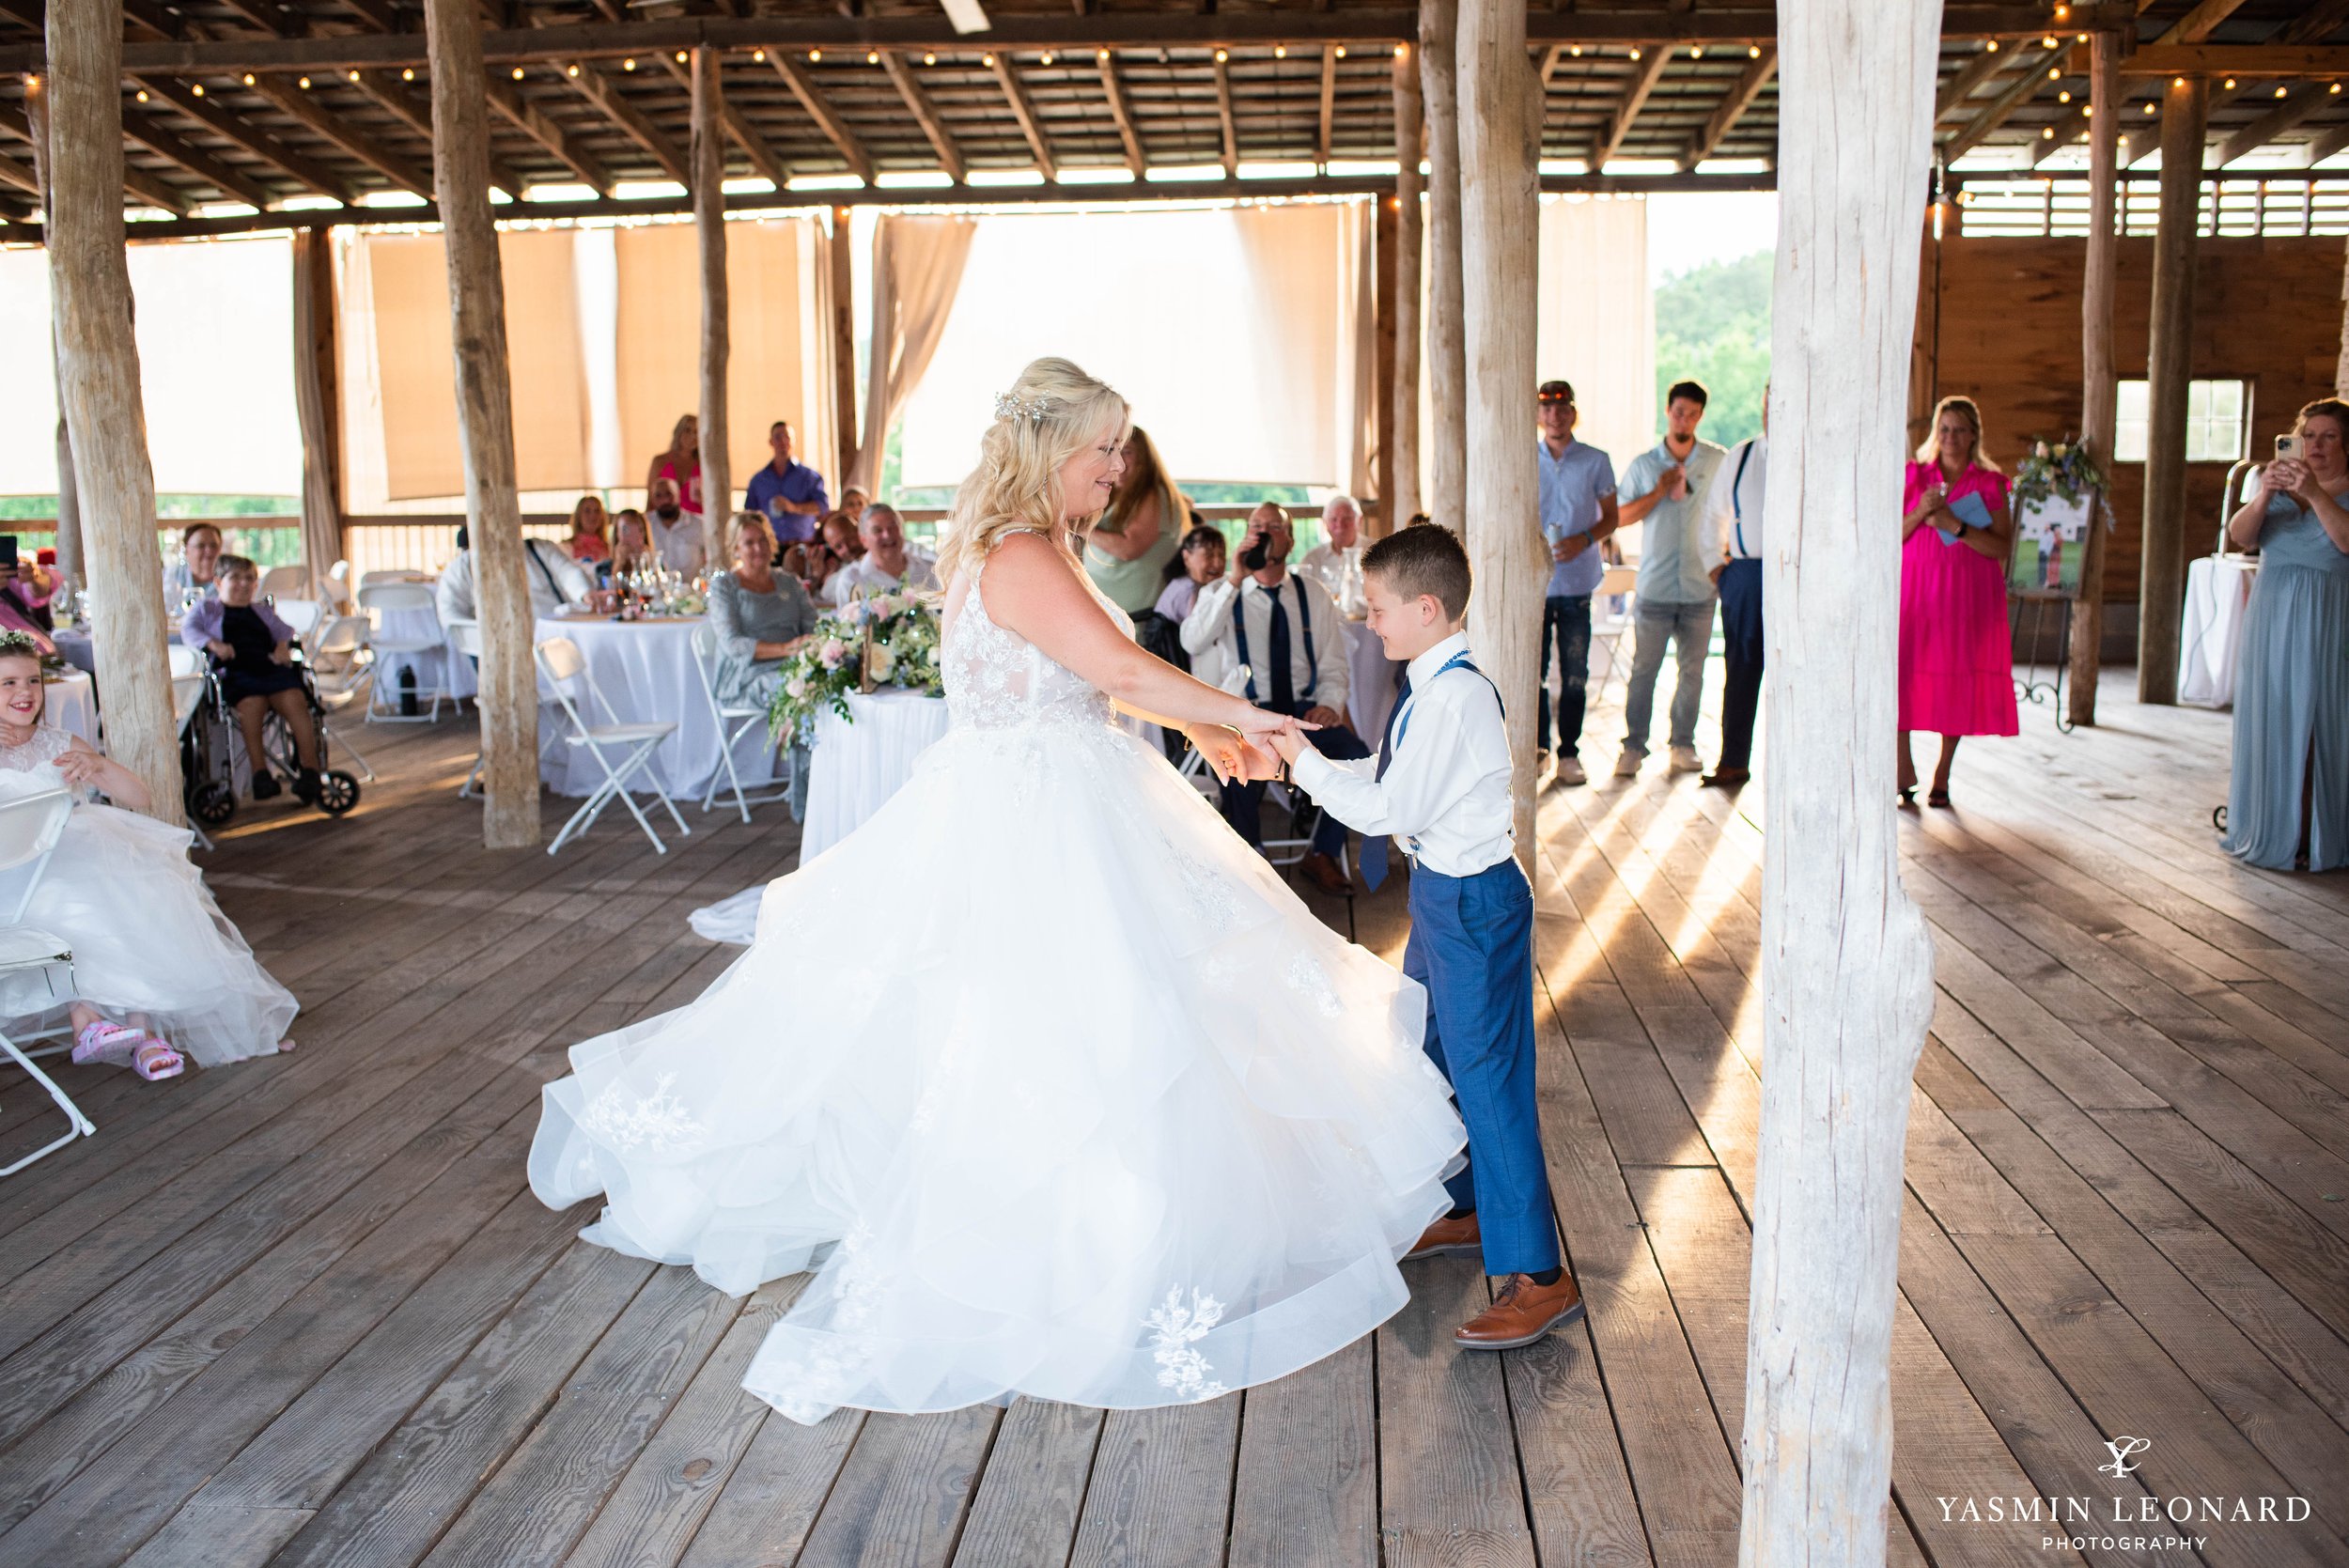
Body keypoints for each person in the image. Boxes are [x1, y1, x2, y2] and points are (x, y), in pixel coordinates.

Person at [530, 355, 1466, 1428]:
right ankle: (1069, 1218)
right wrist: (1242, 713)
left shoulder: (1022, 548)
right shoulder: (1019, 552)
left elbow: (1096, 676)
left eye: (1119, 448)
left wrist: (1206, 725)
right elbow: (1117, 671)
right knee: (1068, 1017)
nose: (1117, 470)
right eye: (1102, 449)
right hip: (1040, 814)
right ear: (1045, 448)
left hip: (1055, 786)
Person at [1268, 524, 1581, 1349]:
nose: (1370, 623)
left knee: (1489, 1080)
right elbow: (1384, 776)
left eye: (1377, 609)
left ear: (1428, 608)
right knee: (1434, 1053)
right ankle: (1473, 1208)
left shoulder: (1455, 697)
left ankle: (1542, 1275)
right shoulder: (1429, 686)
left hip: (1474, 904)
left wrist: (1299, 764)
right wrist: (1301, 754)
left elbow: (1387, 812)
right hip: (1442, 898)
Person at [0, 630, 296, 1076]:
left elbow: (138, 795)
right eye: (8, 683)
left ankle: (140, 1030)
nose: (24, 692)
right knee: (75, 897)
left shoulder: (58, 743)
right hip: (15, 874)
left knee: (141, 884)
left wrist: (98, 766)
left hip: (78, 852)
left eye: (33, 681)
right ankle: (93, 1023)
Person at [1181, 502, 1364, 895]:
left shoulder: (1313, 594)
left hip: (1299, 712)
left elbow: (1334, 663)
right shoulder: (1222, 591)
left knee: (1353, 754)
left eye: (1273, 528)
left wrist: (1331, 704)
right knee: (1237, 762)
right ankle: (1250, 856)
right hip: (1245, 712)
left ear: (1291, 539)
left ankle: (1324, 853)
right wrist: (1234, 579)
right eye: (1255, 526)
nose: (1263, 534)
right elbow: (1193, 640)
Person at [2221, 398, 2349, 871]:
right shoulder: (2272, 484)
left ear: (2345, 444)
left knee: (2318, 723)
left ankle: (2316, 833)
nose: (2316, 445)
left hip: (2326, 620)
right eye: (2309, 435)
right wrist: (2262, 493)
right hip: (2271, 617)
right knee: (2271, 715)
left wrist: (2316, 493)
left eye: (2328, 436)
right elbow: (2241, 535)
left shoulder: (2334, 488)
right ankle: (2271, 825)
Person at [1899, 395, 2017, 808]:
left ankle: (1943, 771)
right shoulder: (1914, 474)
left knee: (1957, 679)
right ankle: (1903, 765)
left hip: (1966, 596)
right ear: (1936, 432)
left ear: (1973, 436)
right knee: (1903, 674)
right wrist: (1922, 512)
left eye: (1959, 430)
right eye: (1944, 429)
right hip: (1915, 592)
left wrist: (1955, 524)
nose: (1951, 437)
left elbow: (2002, 547)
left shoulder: (1990, 483)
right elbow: (1892, 536)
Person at [1614, 380, 1726, 778]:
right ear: (1668, 410)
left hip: (1700, 587)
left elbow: (1731, 509)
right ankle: (1633, 747)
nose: (1685, 419)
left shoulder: (1717, 461)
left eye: (1693, 414)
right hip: (1656, 587)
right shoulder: (1645, 465)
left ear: (1700, 416)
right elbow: (1621, 517)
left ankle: (1683, 744)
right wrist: (1660, 490)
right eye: (1679, 411)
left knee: (1693, 672)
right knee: (1645, 670)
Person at [182, 555, 326, 805]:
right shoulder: (207, 608)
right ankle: (260, 774)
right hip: (237, 673)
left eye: (249, 578)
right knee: (251, 705)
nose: (244, 584)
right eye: (235, 578)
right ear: (218, 582)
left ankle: (311, 770)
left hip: (269, 668)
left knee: (296, 700)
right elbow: (189, 630)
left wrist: (282, 647)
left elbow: (285, 631)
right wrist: (214, 644)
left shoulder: (261, 610)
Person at [1532, 380, 1618, 787]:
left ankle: (1570, 752)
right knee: (1535, 672)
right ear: (1537, 414)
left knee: (1575, 672)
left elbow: (1612, 517)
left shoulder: (1596, 460)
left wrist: (1583, 539)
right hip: (1533, 584)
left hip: (1579, 581)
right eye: (1546, 407)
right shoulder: (1523, 456)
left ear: (1573, 412)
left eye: (1562, 407)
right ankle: (1538, 749)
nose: (1554, 415)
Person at [709, 513, 821, 821]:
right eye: (749, 542)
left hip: (794, 667)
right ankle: (804, 803)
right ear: (735, 548)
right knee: (801, 696)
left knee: (823, 687)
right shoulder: (725, 587)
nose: (757, 548)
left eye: (762, 540)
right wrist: (785, 649)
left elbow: (813, 625)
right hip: (746, 676)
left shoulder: (789, 582)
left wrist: (809, 648)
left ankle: (826, 786)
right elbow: (733, 644)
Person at [1703, 388, 1768, 789]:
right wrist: (1716, 568)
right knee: (1741, 669)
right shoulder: (1742, 455)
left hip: (1801, 576)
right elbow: (1714, 513)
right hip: (1745, 574)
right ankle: (1733, 761)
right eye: (1767, 402)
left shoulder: (1813, 450)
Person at [1083, 426, 1189, 618]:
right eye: (1111, 451)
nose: (1118, 460)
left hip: (1136, 616)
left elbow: (1129, 549)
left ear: (1145, 457)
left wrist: (1083, 529)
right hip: (1108, 610)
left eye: (1127, 451)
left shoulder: (1155, 494)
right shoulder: (1118, 494)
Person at [434, 524, 595, 626]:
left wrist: (585, 594)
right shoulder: (463, 567)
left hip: (550, 633)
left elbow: (568, 572)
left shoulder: (539, 549)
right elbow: (450, 611)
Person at [820, 504, 941, 605]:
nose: (887, 535)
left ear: (902, 531)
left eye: (892, 527)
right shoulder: (851, 580)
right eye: (877, 530)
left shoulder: (929, 570)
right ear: (863, 540)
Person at [744, 420, 832, 545]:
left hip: (803, 544)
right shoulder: (758, 480)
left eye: (787, 437)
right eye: (778, 437)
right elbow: (749, 515)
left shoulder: (810, 477)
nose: (783, 442)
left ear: (794, 441)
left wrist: (794, 507)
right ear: (771, 442)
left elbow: (822, 506)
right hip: (770, 547)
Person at [1298, 493, 1368, 618]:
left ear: (1360, 520)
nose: (1340, 525)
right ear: (1325, 523)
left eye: (1347, 519)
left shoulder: (1377, 552)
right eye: (1333, 519)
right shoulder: (1312, 559)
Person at [1152, 523, 1227, 627]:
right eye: (1209, 555)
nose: (1218, 563)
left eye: (1222, 555)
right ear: (1187, 557)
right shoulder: (1186, 591)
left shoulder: (1216, 586)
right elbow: (1198, 635)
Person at [646, 413, 703, 526]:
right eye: (687, 430)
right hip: (664, 524)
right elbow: (651, 499)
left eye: (696, 432)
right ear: (679, 432)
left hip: (696, 526)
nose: (693, 436)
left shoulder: (704, 466)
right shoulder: (660, 461)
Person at [646, 477, 708, 576]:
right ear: (652, 499)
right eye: (658, 496)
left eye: (669, 494)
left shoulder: (699, 524)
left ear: (678, 495)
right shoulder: (646, 525)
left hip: (691, 590)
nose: (665, 500)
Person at [162, 520, 225, 605]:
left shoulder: (232, 579)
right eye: (201, 546)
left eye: (213, 545)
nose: (209, 551)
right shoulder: (171, 576)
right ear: (187, 550)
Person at [610, 508, 655, 580]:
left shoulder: (657, 564)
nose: (633, 537)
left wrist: (649, 562)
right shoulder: (602, 568)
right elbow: (609, 587)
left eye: (639, 530)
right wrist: (619, 564)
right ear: (617, 534)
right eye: (626, 530)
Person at [567, 496, 612, 565]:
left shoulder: (610, 548)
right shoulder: (566, 547)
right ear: (578, 516)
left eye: (597, 511)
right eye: (587, 511)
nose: (593, 516)